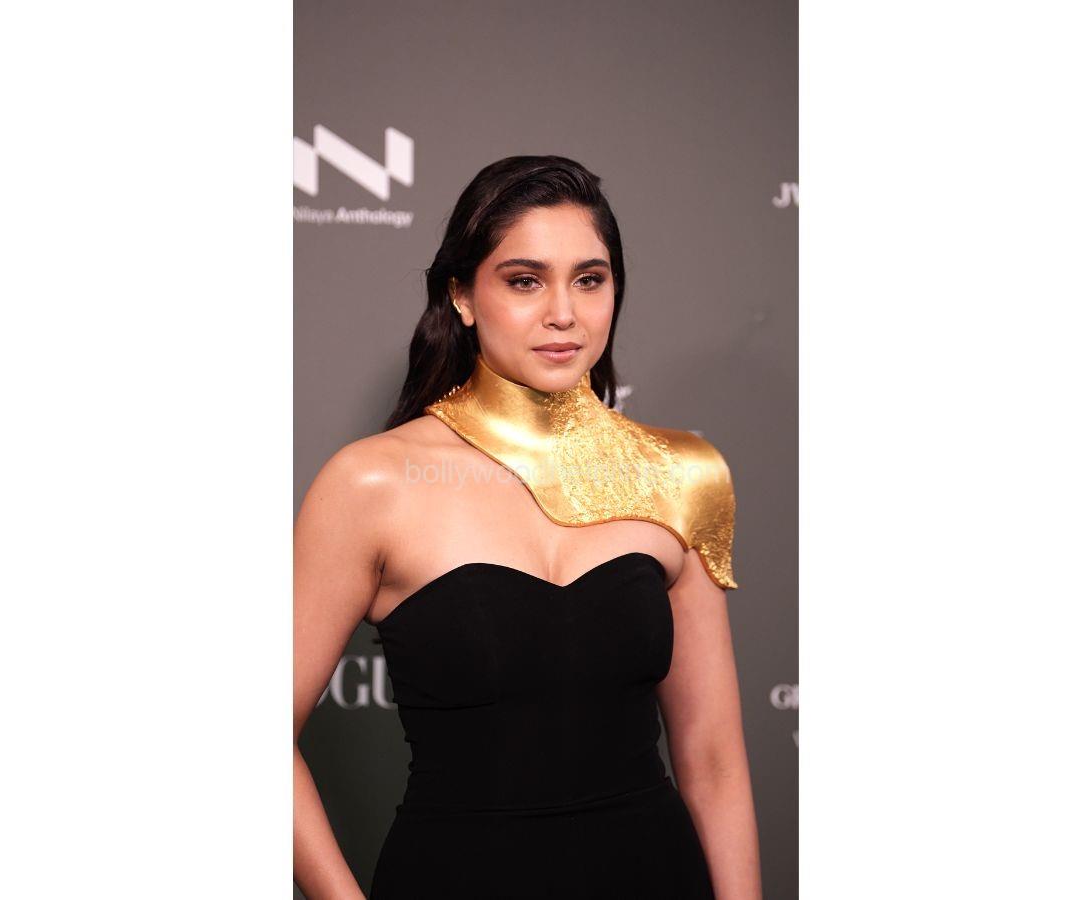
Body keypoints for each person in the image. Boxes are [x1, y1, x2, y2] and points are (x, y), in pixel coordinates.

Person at [294, 156, 763, 899]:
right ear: (461, 295)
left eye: (590, 279)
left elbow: (713, 761)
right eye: (524, 281)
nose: (563, 313)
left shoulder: (681, 473)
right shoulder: (371, 483)